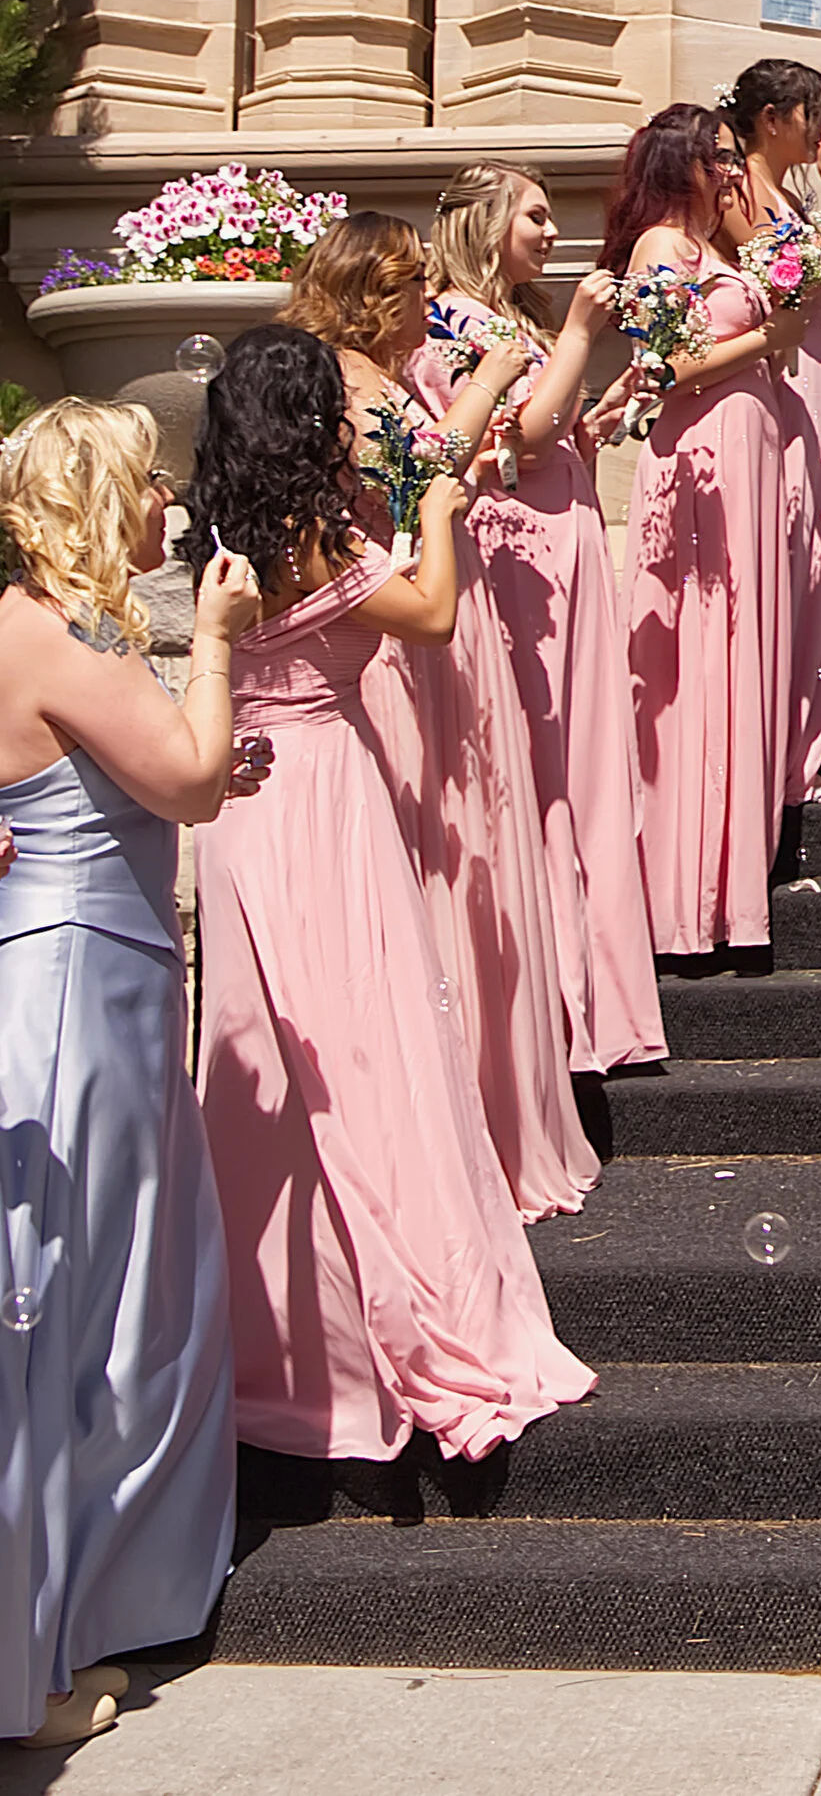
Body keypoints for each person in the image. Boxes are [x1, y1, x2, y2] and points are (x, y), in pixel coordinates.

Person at [182, 323, 596, 1465]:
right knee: (368, 1047)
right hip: (324, 795)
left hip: (241, 807)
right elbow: (428, 616)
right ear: (307, 421)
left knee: (264, 1049)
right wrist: (436, 518)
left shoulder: (217, 533)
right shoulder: (318, 532)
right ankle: (405, 1321)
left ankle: (289, 1335)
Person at [0, 400, 254, 1749]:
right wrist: (212, 644)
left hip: (92, 982)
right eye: (150, 478)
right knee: (67, 1314)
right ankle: (36, 1662)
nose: (168, 498)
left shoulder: (40, 629)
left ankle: (68, 1613)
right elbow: (195, 780)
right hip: (74, 1007)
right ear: (103, 497)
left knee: (87, 1301)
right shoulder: (51, 637)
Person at [285, 212, 600, 1221]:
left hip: (445, 627)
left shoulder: (384, 375)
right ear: (371, 289)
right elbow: (413, 477)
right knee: (433, 858)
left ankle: (484, 1118)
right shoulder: (338, 381)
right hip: (397, 638)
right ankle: (442, 1127)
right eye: (413, 282)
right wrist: (495, 377)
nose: (428, 297)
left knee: (471, 858)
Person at [420, 160, 670, 1076]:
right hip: (517, 553)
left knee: (583, 761)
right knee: (545, 760)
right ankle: (557, 1002)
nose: (550, 230)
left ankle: (596, 1002)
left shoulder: (506, 321)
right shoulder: (448, 317)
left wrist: (596, 409)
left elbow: (548, 429)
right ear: (485, 223)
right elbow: (513, 434)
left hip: (559, 535)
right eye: (533, 215)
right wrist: (577, 333)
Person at [601, 103, 811, 959]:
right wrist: (769, 333)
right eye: (718, 156)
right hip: (704, 461)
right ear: (678, 162)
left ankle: (733, 881)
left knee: (743, 654)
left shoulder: (720, 248)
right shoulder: (661, 246)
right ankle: (686, 896)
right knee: (701, 658)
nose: (732, 169)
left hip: (750, 452)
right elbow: (667, 367)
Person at [720, 61, 821, 807]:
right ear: (775, 117)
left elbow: (813, 289)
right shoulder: (741, 193)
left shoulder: (789, 193)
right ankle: (791, 756)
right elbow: (779, 288)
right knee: (801, 560)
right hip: (789, 386)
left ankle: (817, 738)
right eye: (814, 111)